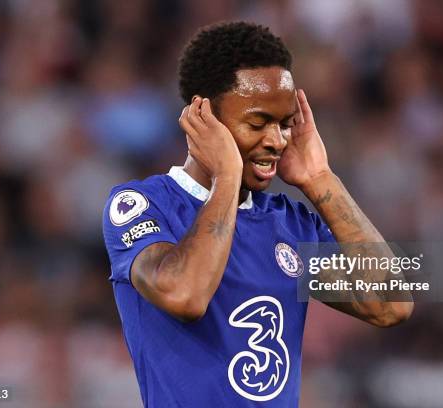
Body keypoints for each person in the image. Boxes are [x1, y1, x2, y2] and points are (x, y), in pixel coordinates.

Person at [102, 21, 413, 407]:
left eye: (284, 124)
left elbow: (392, 303)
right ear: (203, 116)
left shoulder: (291, 224)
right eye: (257, 122)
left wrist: (320, 180)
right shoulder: (143, 204)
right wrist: (227, 175)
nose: (276, 140)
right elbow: (185, 294)